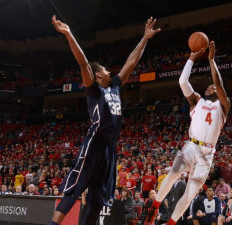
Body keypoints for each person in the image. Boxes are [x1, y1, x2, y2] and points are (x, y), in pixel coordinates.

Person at [50, 15, 160, 225]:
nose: (110, 71)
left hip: (111, 149)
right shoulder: (94, 91)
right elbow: (83, 63)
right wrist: (69, 34)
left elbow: (132, 61)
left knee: (98, 202)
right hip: (95, 144)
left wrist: (145, 38)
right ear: (98, 75)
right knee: (72, 194)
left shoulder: (116, 85)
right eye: (105, 70)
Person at [144, 41, 230, 225]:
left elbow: (219, 84)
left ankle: (171, 223)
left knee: (190, 194)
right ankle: (154, 207)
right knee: (174, 173)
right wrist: (191, 58)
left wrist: (211, 60)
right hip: (192, 146)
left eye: (213, 87)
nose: (211, 87)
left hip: (208, 154)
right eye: (209, 87)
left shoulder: (223, 105)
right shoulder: (196, 101)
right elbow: (183, 82)